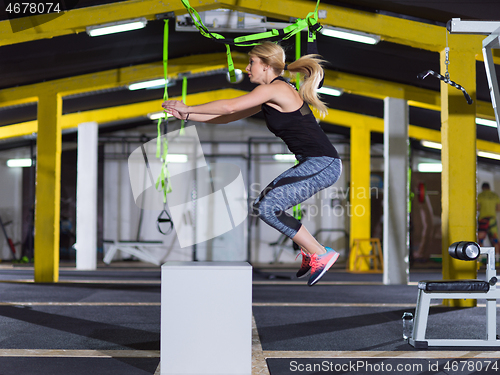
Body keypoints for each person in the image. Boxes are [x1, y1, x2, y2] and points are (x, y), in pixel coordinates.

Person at [162, 42, 342, 286]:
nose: (247, 69)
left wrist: (188, 107)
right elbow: (228, 117)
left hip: (323, 163)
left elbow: (229, 105)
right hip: (317, 163)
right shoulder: (271, 93)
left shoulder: (277, 89)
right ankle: (313, 251)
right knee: (264, 205)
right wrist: (187, 115)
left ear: (266, 66)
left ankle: (320, 253)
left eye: (251, 63)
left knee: (269, 207)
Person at [477, 182, 500, 257]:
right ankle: (497, 258)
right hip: (492, 219)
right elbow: (498, 208)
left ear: (483, 188)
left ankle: (479, 257)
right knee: (495, 239)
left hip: (483, 220)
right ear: (489, 188)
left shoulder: (480, 196)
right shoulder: (495, 196)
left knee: (480, 239)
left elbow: (477, 207)